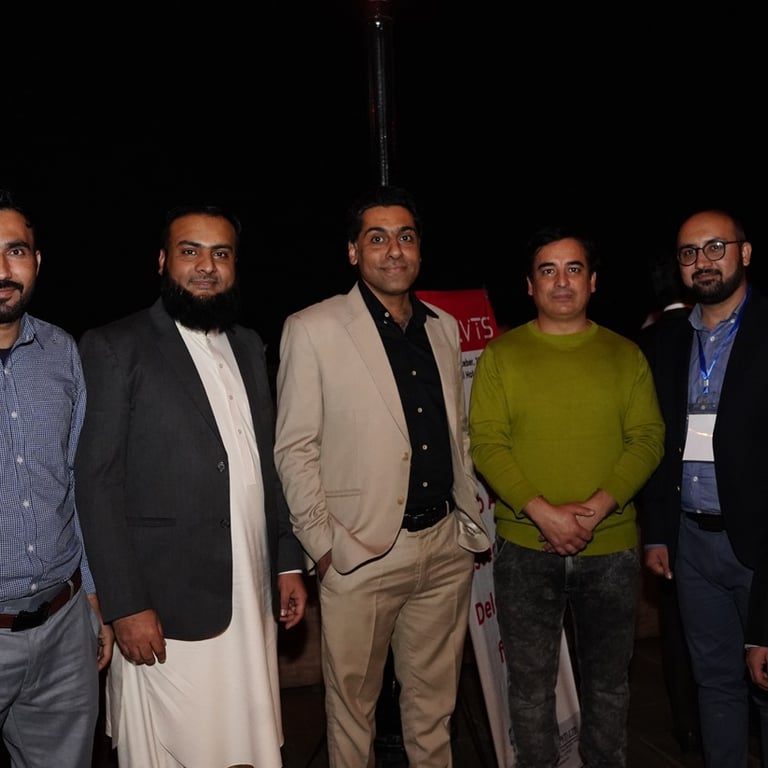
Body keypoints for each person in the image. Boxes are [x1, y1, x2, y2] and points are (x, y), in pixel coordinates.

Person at [73, 202, 308, 768]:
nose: (207, 266)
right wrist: (126, 604)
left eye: (221, 253)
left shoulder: (248, 344)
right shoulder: (116, 346)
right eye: (190, 251)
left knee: (245, 744)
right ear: (162, 261)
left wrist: (286, 562)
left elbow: (266, 464)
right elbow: (96, 483)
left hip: (250, 596)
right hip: (166, 609)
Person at [273, 184, 490, 767]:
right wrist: (324, 547)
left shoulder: (444, 328)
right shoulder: (312, 327)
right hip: (360, 554)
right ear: (353, 252)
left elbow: (458, 432)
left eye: (406, 237)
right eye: (377, 238)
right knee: (352, 717)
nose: (394, 250)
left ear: (419, 249)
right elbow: (294, 447)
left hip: (443, 549)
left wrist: (464, 520)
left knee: (434, 714)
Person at [468, 224, 665, 768]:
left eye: (573, 269)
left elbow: (648, 438)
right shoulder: (501, 356)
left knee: (609, 684)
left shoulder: (625, 354)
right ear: (529, 285)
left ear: (593, 281)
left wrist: (595, 509)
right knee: (530, 687)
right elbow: (487, 444)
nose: (561, 281)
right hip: (525, 549)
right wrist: (544, 515)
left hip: (612, 548)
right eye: (548, 270)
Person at [641, 208, 768, 767]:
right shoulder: (667, 340)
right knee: (714, 683)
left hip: (759, 546)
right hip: (691, 544)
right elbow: (658, 442)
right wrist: (658, 533)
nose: (703, 261)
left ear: (746, 252)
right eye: (690, 253)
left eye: (716, 247)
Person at [0, 188, 113, 768]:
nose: (2, 268)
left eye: (15, 250)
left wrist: (92, 596)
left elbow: (77, 481)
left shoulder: (61, 351)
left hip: (64, 625)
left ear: (37, 261)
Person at [635, 259, 701, 754]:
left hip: (665, 504)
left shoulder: (644, 344)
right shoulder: (696, 337)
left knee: (678, 624)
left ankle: (686, 724)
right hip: (697, 501)